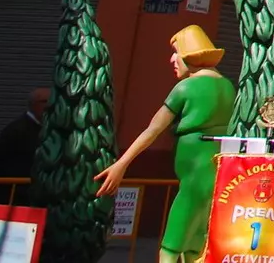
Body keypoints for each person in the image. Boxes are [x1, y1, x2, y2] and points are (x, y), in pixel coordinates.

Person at [95, 27, 235, 263]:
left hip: (193, 180)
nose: (172, 59)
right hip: (216, 175)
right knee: (195, 245)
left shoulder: (186, 88)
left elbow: (152, 130)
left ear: (190, 53)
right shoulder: (228, 87)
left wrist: (122, 164)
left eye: (176, 52)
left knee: (170, 247)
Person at [0, 89, 48, 210]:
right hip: (13, 201)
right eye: (44, 101)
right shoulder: (18, 130)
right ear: (32, 104)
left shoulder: (47, 130)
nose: (49, 106)